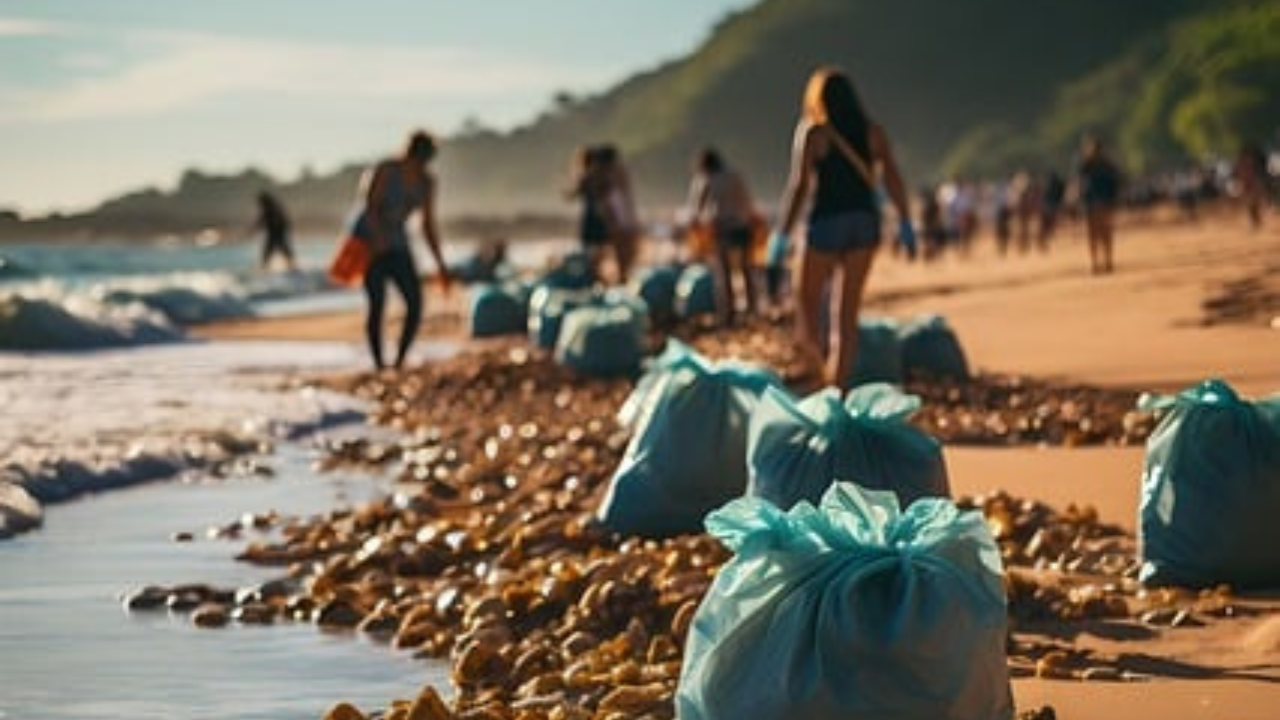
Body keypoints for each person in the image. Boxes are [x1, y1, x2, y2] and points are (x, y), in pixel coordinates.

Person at [773, 66, 913, 390]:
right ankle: (838, 385)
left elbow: (799, 187)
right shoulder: (872, 131)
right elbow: (892, 177)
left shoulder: (814, 133)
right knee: (846, 312)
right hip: (865, 223)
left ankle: (817, 366)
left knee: (805, 301)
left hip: (827, 223)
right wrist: (905, 220)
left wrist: (782, 234)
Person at [350, 130, 452, 370]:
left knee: (415, 302)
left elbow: (427, 225)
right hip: (368, 241)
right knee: (377, 303)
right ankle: (379, 365)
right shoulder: (386, 170)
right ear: (410, 154)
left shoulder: (427, 183)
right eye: (419, 159)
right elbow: (370, 206)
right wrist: (378, 241)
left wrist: (440, 265)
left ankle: (399, 360)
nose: (421, 165)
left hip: (397, 242)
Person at [687, 146, 759, 325]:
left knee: (724, 272)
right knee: (746, 269)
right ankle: (752, 309)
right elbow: (748, 201)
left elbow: (696, 208)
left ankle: (728, 312)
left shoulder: (706, 179)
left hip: (722, 229)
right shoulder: (735, 175)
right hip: (742, 226)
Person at [565, 145, 614, 282]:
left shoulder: (587, 178)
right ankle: (596, 278)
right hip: (598, 219)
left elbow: (571, 195)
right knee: (599, 252)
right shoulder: (599, 177)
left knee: (592, 253)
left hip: (591, 219)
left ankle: (594, 278)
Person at [1077, 134, 1121, 275]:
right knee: (1093, 234)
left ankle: (1107, 261)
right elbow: (1080, 184)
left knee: (1105, 233)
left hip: (1104, 203)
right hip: (1091, 203)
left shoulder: (1107, 165)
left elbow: (1115, 184)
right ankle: (1096, 263)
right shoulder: (1086, 165)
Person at [255, 191, 296, 271]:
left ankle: (292, 268)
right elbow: (260, 222)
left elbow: (283, 222)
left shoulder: (273, 209)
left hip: (277, 234)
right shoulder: (269, 209)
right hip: (274, 235)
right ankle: (291, 267)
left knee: (282, 252)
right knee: (272, 253)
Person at [1233, 142, 1270, 229]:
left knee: (1253, 203)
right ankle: (1255, 221)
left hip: (1251, 183)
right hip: (1247, 183)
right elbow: (1238, 172)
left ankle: (1256, 220)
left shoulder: (1246, 160)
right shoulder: (1244, 160)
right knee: (1251, 204)